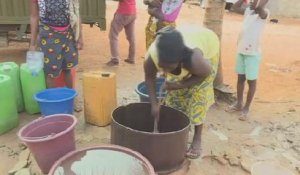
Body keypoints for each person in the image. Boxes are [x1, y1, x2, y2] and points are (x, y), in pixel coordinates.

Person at [144, 26, 220, 159]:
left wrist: (180, 84)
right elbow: (150, 78)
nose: (165, 70)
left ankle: (197, 138)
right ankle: (178, 129)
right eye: (162, 65)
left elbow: (204, 74)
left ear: (180, 60)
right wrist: (154, 104)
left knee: (197, 98)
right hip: (184, 43)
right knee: (175, 98)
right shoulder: (153, 56)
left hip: (208, 46)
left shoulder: (194, 59)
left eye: (169, 66)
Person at [227, 0, 269, 121]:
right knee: (240, 78)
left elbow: (261, 11)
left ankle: (246, 107)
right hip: (241, 51)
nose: (252, 2)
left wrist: (258, 5)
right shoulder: (248, 11)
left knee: (251, 82)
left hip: (253, 54)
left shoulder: (264, 13)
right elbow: (234, 7)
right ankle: (239, 103)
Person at [30, 0, 83, 88]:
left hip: (68, 34)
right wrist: (32, 44)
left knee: (68, 69)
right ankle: (53, 100)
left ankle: (70, 98)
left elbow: (76, 13)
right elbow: (34, 16)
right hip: (49, 35)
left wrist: (80, 36)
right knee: (50, 73)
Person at [107, 0, 136, 66]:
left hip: (123, 12)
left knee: (113, 35)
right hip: (132, 12)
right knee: (131, 37)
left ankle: (115, 59)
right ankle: (131, 58)